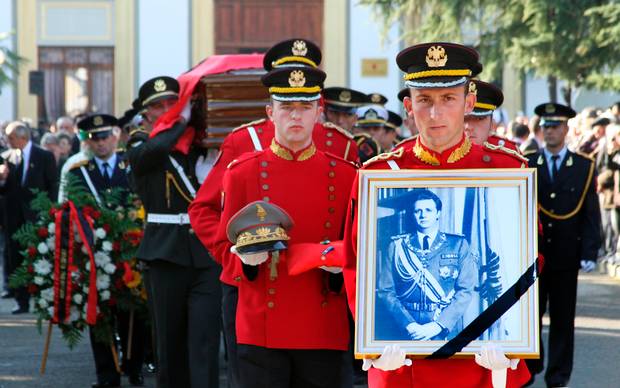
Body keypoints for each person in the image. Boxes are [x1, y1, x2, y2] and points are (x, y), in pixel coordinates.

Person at [342, 42, 531, 387]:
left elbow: (526, 260)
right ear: (408, 106)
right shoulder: (380, 175)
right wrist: (372, 335)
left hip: (481, 359)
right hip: (401, 359)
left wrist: (517, 330)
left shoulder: (507, 172)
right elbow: (357, 266)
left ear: (469, 102)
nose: (435, 113)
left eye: (448, 99)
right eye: (425, 100)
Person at [189, 38, 357, 388]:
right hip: (260, 319)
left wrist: (341, 260)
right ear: (270, 113)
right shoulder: (242, 171)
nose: (295, 115)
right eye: (286, 106)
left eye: (305, 105)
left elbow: (358, 242)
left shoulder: (345, 174)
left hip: (323, 319)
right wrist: (242, 262)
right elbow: (222, 242)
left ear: (318, 110)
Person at [126, 76, 222, 388]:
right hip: (165, 252)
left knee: (205, 339)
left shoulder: (198, 142)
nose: (166, 109)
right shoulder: (140, 141)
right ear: (146, 114)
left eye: (172, 103)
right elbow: (149, 155)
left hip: (205, 251)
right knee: (169, 341)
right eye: (159, 106)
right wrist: (178, 123)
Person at [524, 102, 601, 387]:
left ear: (566, 129)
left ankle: (558, 374)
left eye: (555, 126)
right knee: (532, 316)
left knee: (562, 318)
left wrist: (590, 251)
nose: (550, 132)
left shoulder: (583, 166)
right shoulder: (528, 162)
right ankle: (531, 366)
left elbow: (590, 213)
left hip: (567, 254)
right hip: (534, 254)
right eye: (545, 127)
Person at [66, 114, 145, 388]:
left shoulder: (132, 164)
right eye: (94, 139)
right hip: (95, 255)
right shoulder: (78, 172)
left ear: (115, 136)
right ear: (88, 142)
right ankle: (106, 375)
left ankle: (133, 366)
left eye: (104, 137)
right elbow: (72, 210)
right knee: (99, 316)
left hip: (129, 252)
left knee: (133, 313)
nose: (100, 143)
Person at [378, 189, 476, 341]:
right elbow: (385, 290)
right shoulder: (396, 246)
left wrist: (438, 325)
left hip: (444, 328)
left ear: (438, 213)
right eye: (418, 211)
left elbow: (465, 290)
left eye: (428, 210)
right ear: (413, 214)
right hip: (406, 329)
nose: (423, 215)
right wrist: (409, 324)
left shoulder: (457, 244)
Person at [0, 122, 58, 313]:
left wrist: (49, 212)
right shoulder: (6, 158)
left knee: (40, 257)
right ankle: (21, 301)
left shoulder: (44, 156)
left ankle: (43, 299)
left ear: (22, 137)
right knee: (15, 258)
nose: (7, 142)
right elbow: (4, 191)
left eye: (10, 138)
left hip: (37, 217)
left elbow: (52, 185)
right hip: (13, 219)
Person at [463, 80, 521, 154]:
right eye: (463, 119)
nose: (469, 126)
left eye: (479, 118)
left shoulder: (507, 155)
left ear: (492, 125)